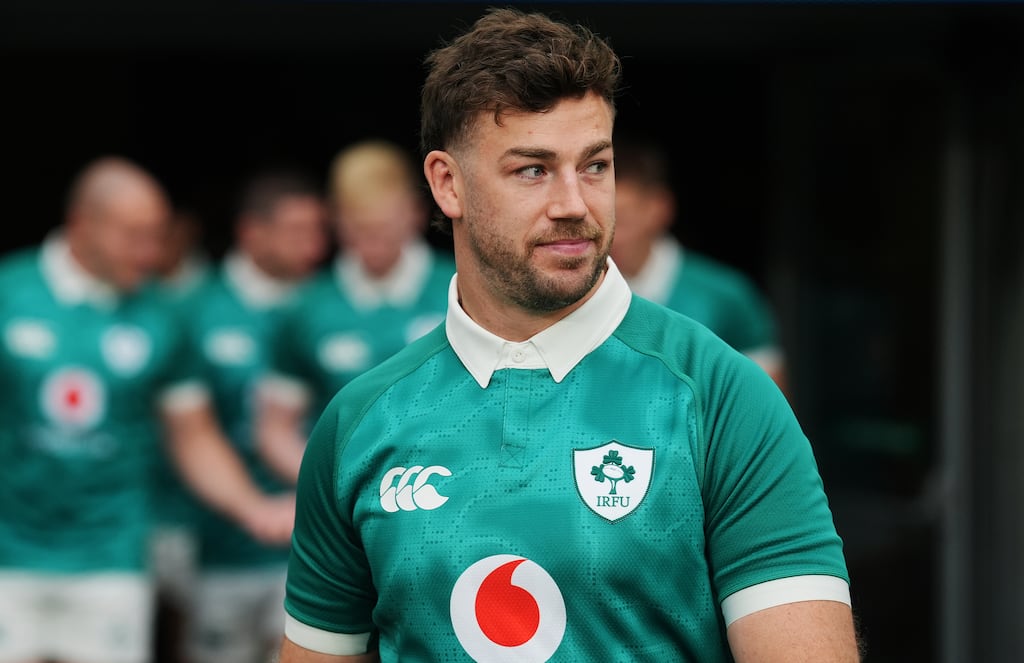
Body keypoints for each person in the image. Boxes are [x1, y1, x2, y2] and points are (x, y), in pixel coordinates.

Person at [277, 7, 860, 663]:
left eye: (594, 165)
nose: (574, 203)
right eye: (533, 169)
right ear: (447, 184)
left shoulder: (722, 396)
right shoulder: (360, 421)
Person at [0, 156, 294, 663]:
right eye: (134, 236)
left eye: (157, 235)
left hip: (113, 555)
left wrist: (253, 507)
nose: (151, 253)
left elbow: (193, 436)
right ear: (82, 225)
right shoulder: (10, 292)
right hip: (8, 553)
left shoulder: (162, 315)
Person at [183, 168, 329, 663]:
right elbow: (185, 432)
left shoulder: (331, 306)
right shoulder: (196, 308)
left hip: (314, 546)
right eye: (296, 231)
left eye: (318, 231)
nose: (312, 246)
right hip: (221, 544)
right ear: (251, 232)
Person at [256, 138, 455, 485]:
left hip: (447, 488)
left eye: (382, 227)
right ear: (335, 218)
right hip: (345, 496)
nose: (371, 243)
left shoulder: (460, 288)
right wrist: (332, 487)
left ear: (414, 212)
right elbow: (276, 430)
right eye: (359, 228)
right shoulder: (307, 307)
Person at [611, 129, 788, 393]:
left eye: (623, 219)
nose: (612, 237)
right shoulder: (577, 293)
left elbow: (770, 403)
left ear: (660, 208)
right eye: (603, 220)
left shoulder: (724, 294)